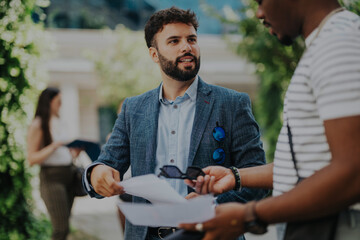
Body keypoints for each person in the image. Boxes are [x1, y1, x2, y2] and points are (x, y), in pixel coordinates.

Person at [83, 6, 268, 240]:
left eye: (192, 39)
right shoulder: (133, 109)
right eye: (174, 41)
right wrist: (96, 173)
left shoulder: (232, 104)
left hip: (211, 234)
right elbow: (106, 164)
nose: (186, 47)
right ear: (154, 54)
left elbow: (257, 181)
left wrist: (212, 205)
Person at [179, 0, 360, 239]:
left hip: (336, 225)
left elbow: (354, 171)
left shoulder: (338, 44)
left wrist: (248, 215)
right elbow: (311, 165)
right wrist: (235, 176)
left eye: (261, 1)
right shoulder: (328, 42)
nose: (259, 13)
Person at [27, 87, 82, 240]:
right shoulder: (38, 124)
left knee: (65, 226)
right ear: (49, 102)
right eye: (59, 101)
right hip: (52, 179)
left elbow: (63, 152)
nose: (61, 105)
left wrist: (74, 152)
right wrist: (53, 146)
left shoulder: (59, 121)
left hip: (69, 175)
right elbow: (31, 158)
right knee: (60, 228)